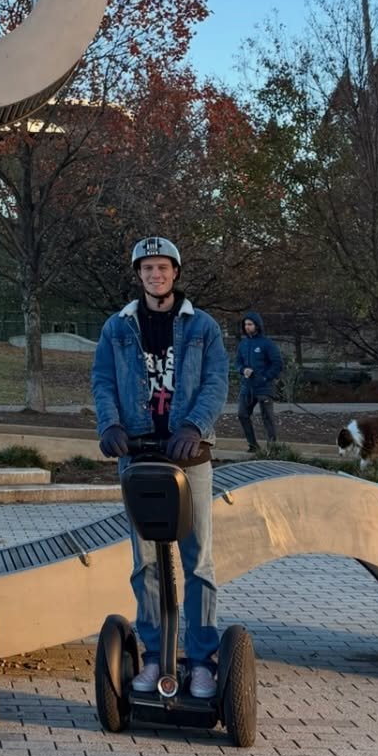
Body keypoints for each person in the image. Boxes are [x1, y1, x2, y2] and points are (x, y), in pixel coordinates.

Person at [92, 235, 228, 702]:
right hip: (139, 453)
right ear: (139, 276)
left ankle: (202, 660)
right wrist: (109, 425)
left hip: (190, 457)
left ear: (175, 273)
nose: (156, 275)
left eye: (163, 268)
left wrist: (194, 425)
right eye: (147, 268)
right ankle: (153, 655)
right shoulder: (118, 327)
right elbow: (104, 379)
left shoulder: (202, 326)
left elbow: (215, 382)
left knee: (199, 560)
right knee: (145, 562)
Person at [235, 310, 284, 450]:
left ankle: (272, 448)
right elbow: (237, 362)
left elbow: (277, 363)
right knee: (242, 414)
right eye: (245, 324)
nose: (247, 327)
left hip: (264, 387)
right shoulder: (243, 344)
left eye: (250, 324)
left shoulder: (267, 343)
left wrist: (265, 377)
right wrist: (242, 370)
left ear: (257, 325)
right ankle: (252, 445)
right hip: (247, 387)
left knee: (267, 417)